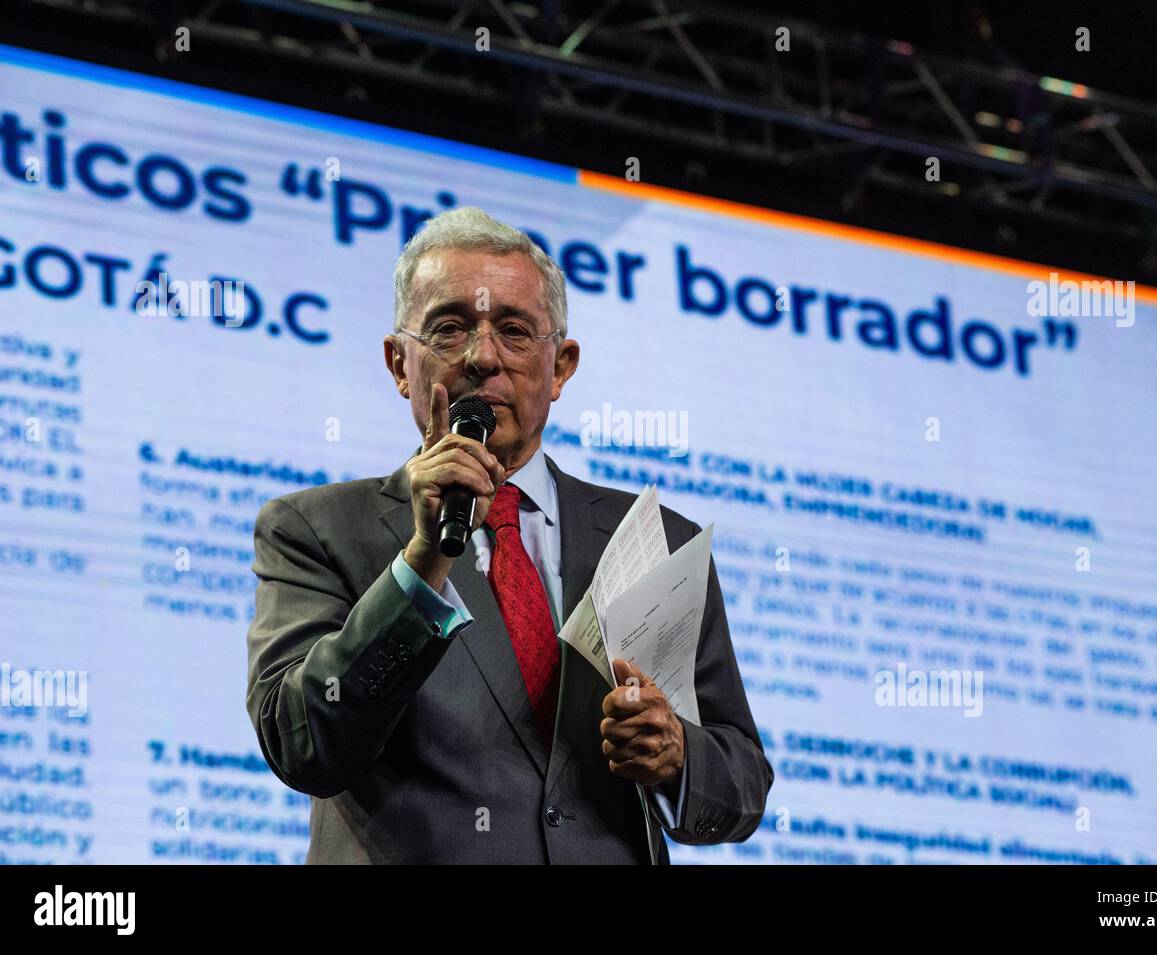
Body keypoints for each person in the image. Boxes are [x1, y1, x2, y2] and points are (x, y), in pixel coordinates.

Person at [245, 206, 772, 863]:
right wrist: (423, 563)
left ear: (561, 366)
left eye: (515, 332)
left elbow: (742, 786)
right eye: (449, 327)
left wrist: (675, 756)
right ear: (399, 362)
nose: (482, 357)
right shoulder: (315, 529)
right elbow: (304, 743)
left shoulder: (653, 539)